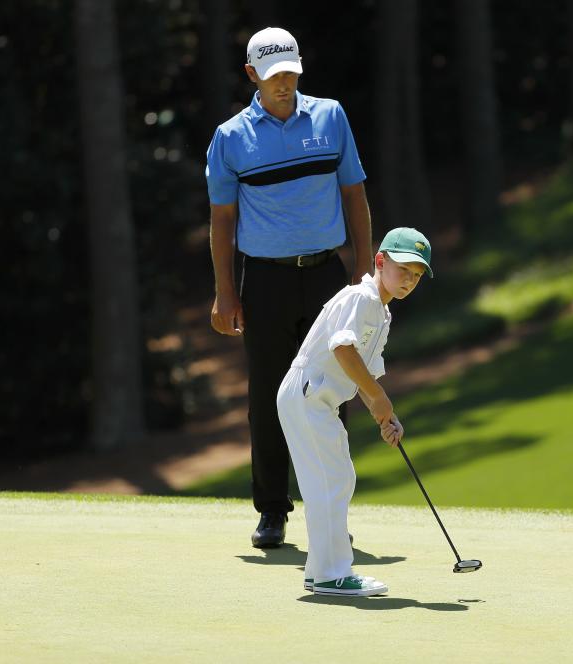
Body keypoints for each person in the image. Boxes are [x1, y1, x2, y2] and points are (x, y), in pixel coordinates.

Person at [205, 27, 373, 548]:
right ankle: (272, 511)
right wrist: (225, 292)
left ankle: (329, 513)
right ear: (253, 75)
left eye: (291, 73)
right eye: (274, 74)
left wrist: (364, 270)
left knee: (333, 393)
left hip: (327, 274)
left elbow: (354, 195)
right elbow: (221, 221)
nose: (285, 83)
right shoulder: (231, 137)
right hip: (267, 281)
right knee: (270, 396)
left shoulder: (330, 116)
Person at [276, 228, 432, 596]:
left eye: (416, 275)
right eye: (403, 269)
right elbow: (343, 350)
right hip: (307, 394)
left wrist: (384, 417)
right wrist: (379, 399)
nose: (409, 280)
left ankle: (321, 571)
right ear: (380, 261)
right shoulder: (360, 298)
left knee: (334, 480)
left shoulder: (382, 314)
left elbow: (365, 375)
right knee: (332, 481)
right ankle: (332, 574)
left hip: (316, 400)